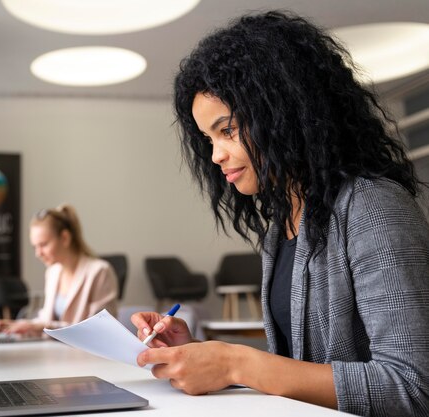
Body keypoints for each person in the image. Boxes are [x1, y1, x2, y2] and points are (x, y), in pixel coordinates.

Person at [131, 10, 429, 417]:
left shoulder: (372, 206)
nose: (216, 155)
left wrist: (237, 362)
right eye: (208, 139)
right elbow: (301, 364)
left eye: (228, 130)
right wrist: (201, 354)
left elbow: (413, 386)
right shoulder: (282, 225)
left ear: (284, 112)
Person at [0, 204, 118, 337]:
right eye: (35, 246)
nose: (38, 253)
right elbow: (46, 320)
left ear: (65, 238)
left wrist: (40, 326)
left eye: (43, 245)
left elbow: (99, 330)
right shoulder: (53, 272)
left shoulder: (100, 271)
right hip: (57, 351)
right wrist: (20, 325)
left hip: (86, 355)